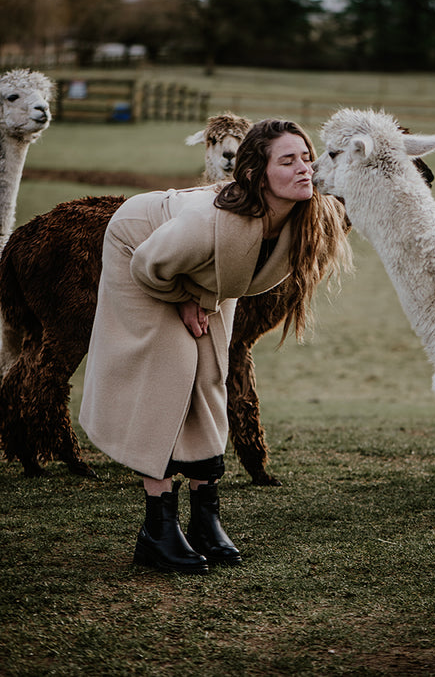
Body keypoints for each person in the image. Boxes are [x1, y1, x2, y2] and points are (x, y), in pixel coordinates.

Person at [79, 118, 350, 575]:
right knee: (171, 369)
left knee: (209, 374)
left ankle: (206, 518)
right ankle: (156, 529)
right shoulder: (208, 223)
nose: (305, 168)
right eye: (288, 161)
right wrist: (185, 299)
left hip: (202, 272)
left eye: (307, 157)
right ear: (256, 174)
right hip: (141, 248)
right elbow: (150, 265)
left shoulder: (305, 218)